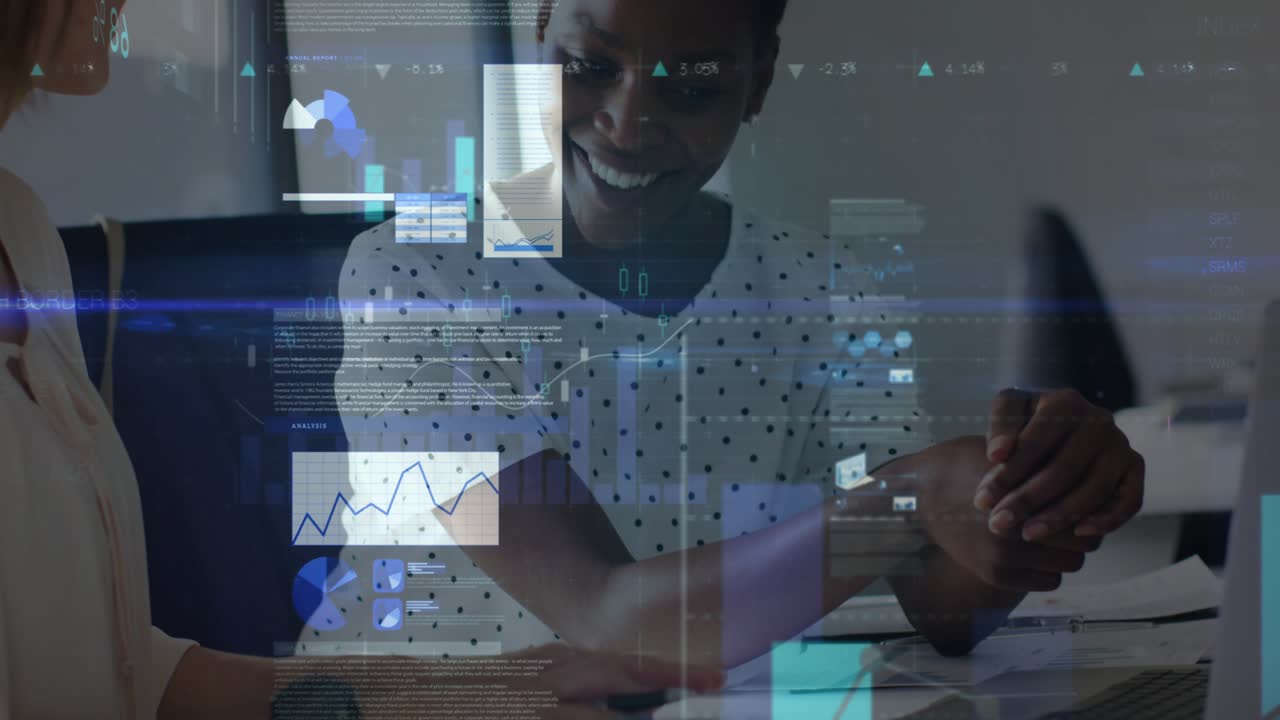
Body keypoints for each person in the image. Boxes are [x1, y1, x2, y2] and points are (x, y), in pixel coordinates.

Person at [331, 0, 1145, 670]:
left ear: (757, 84)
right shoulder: (413, 278)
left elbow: (939, 609)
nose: (626, 123)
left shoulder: (826, 288)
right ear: (541, 26)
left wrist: (1029, 499)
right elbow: (602, 616)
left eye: (691, 90)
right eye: (590, 66)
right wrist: (912, 499)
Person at [0, 1, 722, 718]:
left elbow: (130, 681)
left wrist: (468, 694)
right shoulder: (411, 276)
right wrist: (840, 540)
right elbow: (599, 601)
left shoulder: (22, 233)